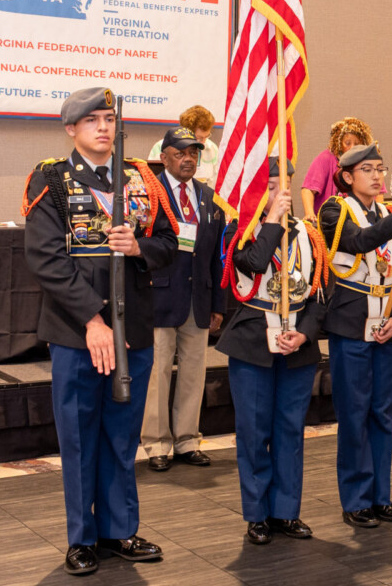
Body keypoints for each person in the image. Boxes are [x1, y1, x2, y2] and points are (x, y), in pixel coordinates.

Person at [22, 87, 178, 576]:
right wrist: (92, 319)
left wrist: (139, 248)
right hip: (77, 334)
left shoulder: (144, 178)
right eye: (92, 121)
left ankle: (118, 530)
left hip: (134, 331)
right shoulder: (49, 178)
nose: (104, 128)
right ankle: (81, 538)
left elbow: (172, 243)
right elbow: (45, 260)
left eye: (109, 119)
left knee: (122, 436)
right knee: (79, 438)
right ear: (71, 129)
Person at [318, 143, 392, 528]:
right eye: (368, 169)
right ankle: (356, 499)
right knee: (354, 414)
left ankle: (381, 495)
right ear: (347, 176)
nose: (378, 176)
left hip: (388, 325)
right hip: (351, 324)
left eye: (381, 168)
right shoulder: (334, 209)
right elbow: (359, 242)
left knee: (383, 414)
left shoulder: (386, 212)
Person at [218, 158, 327, 545]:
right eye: (269, 186)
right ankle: (257, 514)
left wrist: (306, 334)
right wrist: (272, 221)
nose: (279, 193)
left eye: (284, 185)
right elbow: (253, 262)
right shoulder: (240, 230)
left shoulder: (309, 234)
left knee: (290, 431)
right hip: (253, 341)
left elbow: (318, 291)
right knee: (253, 431)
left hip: (296, 343)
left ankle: (286, 512)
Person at [140, 127, 226, 473]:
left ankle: (188, 440)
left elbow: (217, 257)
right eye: (180, 153)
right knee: (157, 373)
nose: (188, 159)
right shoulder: (149, 194)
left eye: (193, 153)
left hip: (199, 298)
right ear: (164, 158)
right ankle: (157, 443)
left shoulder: (209, 198)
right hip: (158, 296)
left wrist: (218, 304)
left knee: (193, 371)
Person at [146, 105, 221, 183]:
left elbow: (216, 181)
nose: (203, 142)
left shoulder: (212, 148)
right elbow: (153, 179)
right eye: (199, 138)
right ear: (186, 132)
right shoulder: (162, 147)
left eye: (206, 136)